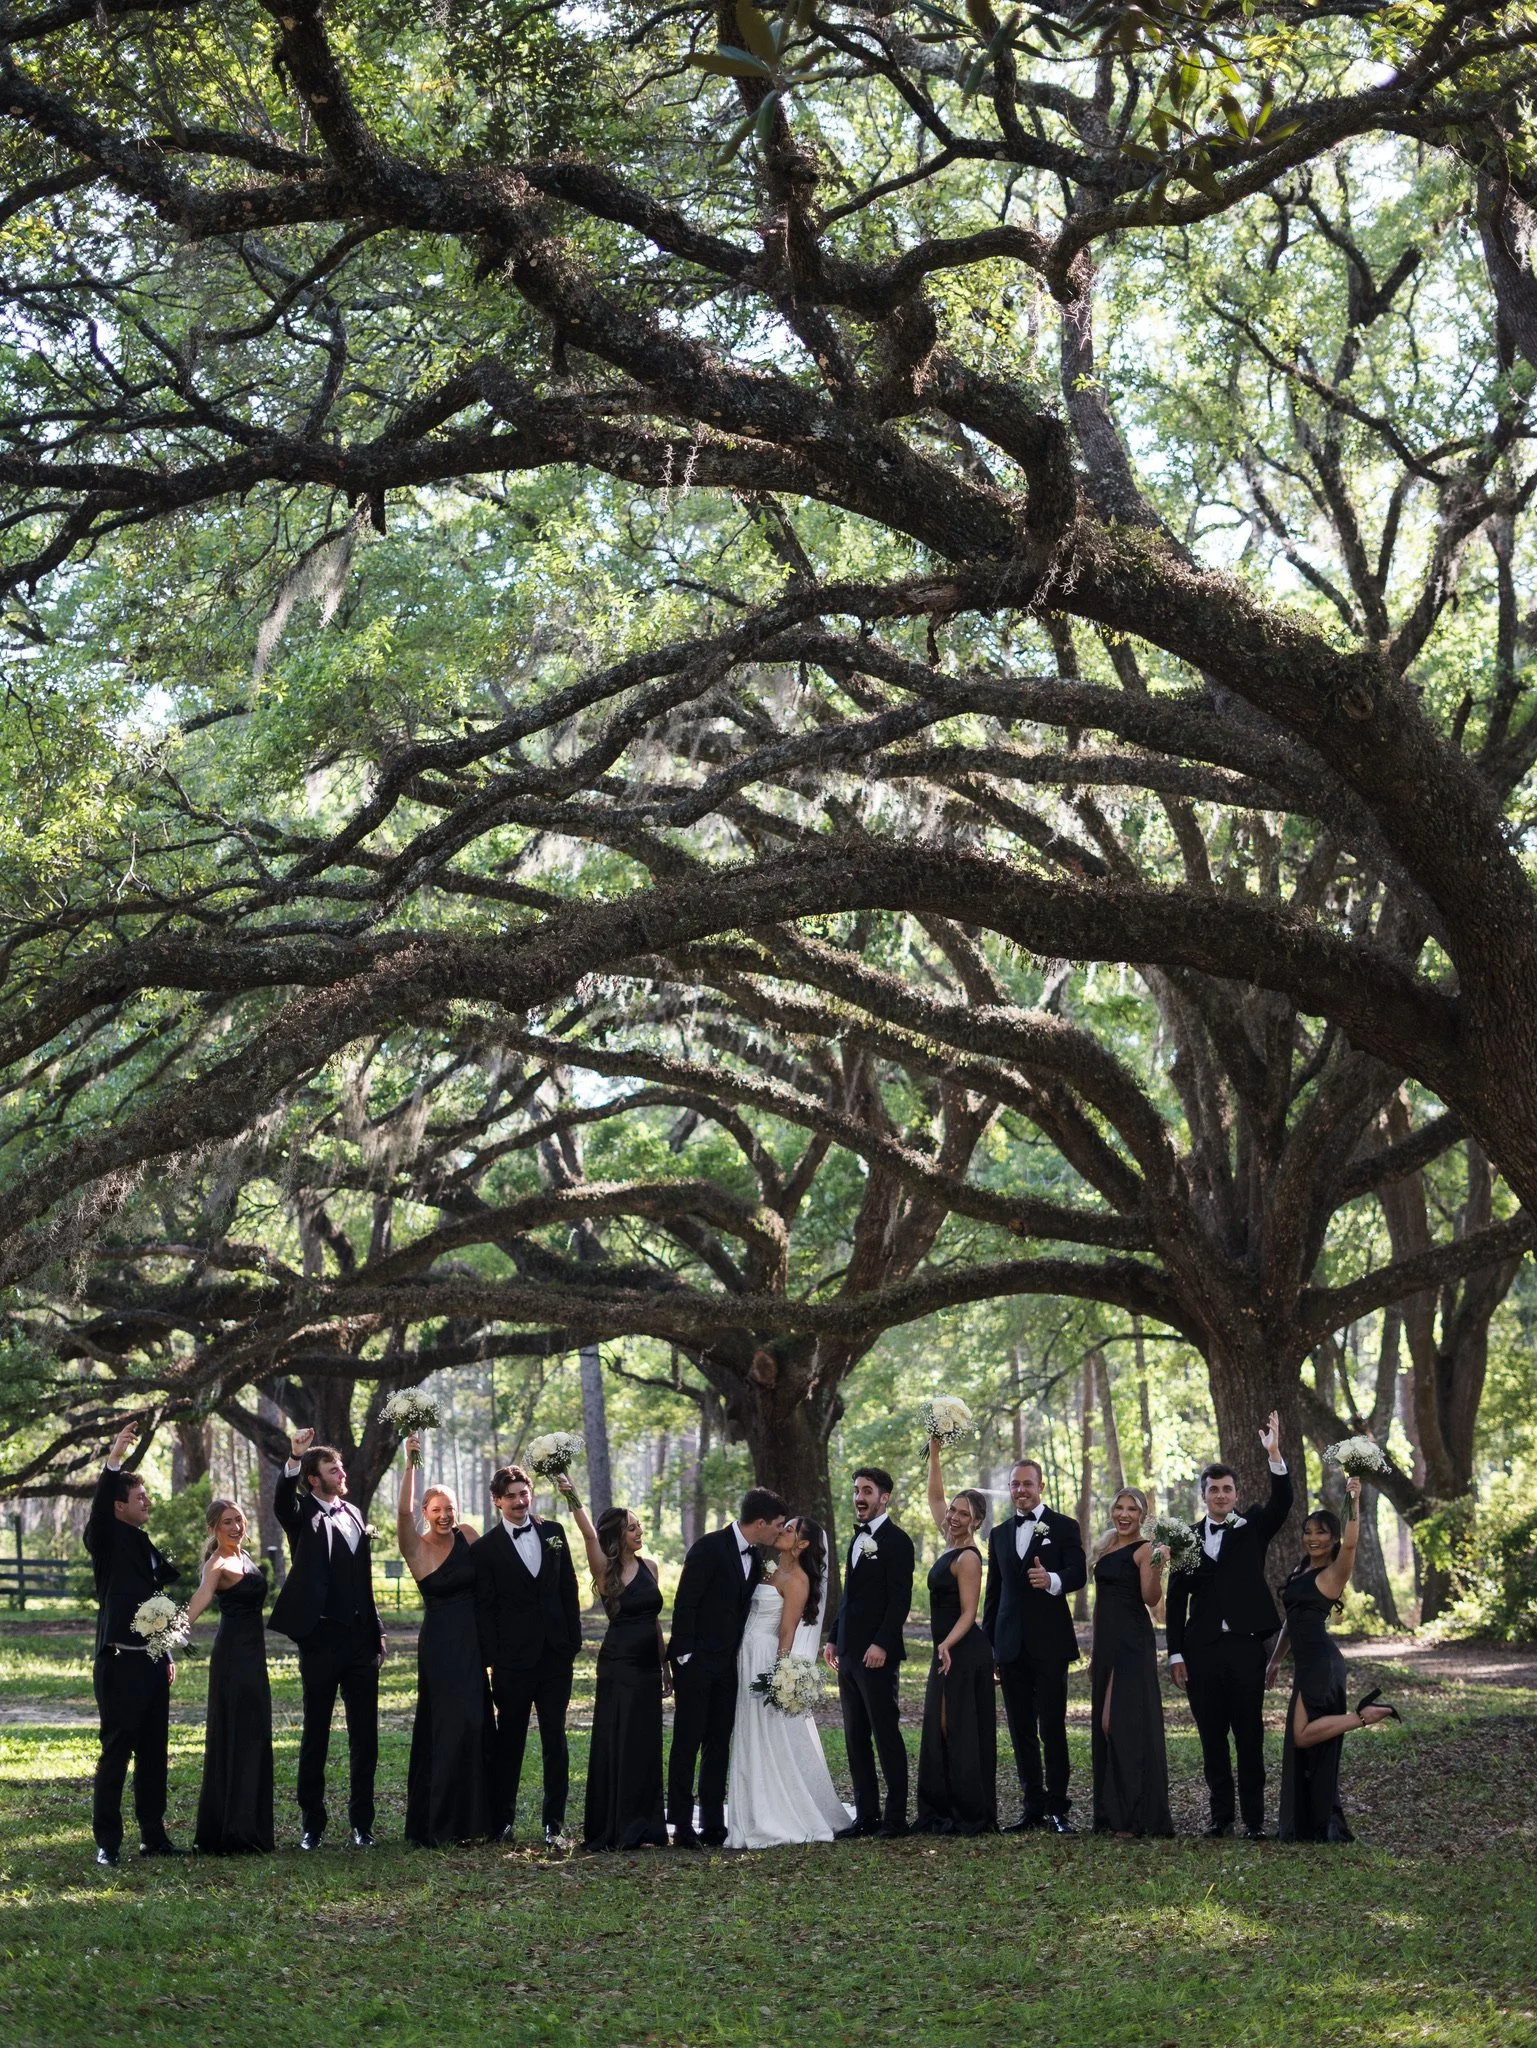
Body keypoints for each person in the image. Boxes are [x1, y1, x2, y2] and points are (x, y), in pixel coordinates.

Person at [1165, 1411, 1293, 1839]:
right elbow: (1177, 1599)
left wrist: (1274, 1454)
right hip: (1200, 1651)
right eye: (1213, 1489)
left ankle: (1255, 1821)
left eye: (1227, 1489)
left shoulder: (1253, 1526)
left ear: (1236, 1494)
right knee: (1212, 1740)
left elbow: (1283, 1503)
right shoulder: (1185, 1537)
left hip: (1244, 1647)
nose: (1221, 1495)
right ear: (1204, 1495)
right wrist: (1176, 1653)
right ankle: (1221, 1817)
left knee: (1249, 1735)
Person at [268, 1426, 387, 1850]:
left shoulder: (354, 1513)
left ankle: (362, 1823)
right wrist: (294, 1458)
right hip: (319, 1637)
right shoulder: (301, 1511)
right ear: (314, 1479)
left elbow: (364, 1581)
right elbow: (281, 1503)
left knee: (364, 1735)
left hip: (359, 1640)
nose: (341, 1472)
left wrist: (377, 1634)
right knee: (316, 1731)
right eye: (332, 1469)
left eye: (340, 1466)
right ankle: (312, 1824)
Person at [1273, 1478, 1396, 1842]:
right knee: (1300, 1739)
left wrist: (1352, 1501)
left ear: (1332, 1538)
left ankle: (1364, 1716)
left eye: (1322, 1533)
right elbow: (1291, 1623)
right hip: (1307, 1664)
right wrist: (1275, 1660)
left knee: (1301, 1735)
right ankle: (1309, 1820)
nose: (1313, 1538)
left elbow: (1353, 1541)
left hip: (1323, 1665)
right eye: (1308, 1531)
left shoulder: (1332, 1574)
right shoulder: (1301, 1572)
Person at [666, 1486, 789, 1849]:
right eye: (778, 1525)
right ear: (761, 1522)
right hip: (697, 1663)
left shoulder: (759, 1555)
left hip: (730, 1666)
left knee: (719, 1743)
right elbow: (685, 1603)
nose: (780, 1532)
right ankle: (681, 1824)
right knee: (687, 1743)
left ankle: (714, 1824)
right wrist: (686, 1657)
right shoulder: (707, 1547)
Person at [84, 1420, 183, 1866]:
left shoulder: (144, 1543)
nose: (148, 1502)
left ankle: (153, 1834)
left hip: (151, 1663)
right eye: (139, 1497)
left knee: (154, 1752)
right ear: (118, 1506)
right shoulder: (105, 1540)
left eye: (147, 1495)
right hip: (118, 1662)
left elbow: (154, 1602)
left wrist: (164, 1651)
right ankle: (108, 1841)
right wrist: (115, 1462)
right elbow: (98, 1511)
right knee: (117, 1750)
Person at [472, 1461, 582, 1847]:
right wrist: (495, 1657)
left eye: (524, 1494)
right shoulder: (485, 1549)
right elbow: (484, 1609)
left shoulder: (554, 1532)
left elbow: (568, 1587)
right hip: (512, 1662)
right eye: (512, 1496)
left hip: (555, 1655)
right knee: (510, 1742)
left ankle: (554, 1824)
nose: (520, 1501)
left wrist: (572, 1642)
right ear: (497, 1501)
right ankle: (503, 1821)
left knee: (556, 1741)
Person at [557, 1475, 669, 1852]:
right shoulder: (607, 1572)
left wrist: (665, 1666)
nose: (639, 1531)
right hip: (618, 1666)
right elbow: (589, 1536)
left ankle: (647, 1825)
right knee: (618, 1740)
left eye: (638, 1526)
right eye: (632, 1527)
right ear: (619, 1535)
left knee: (645, 1744)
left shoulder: (651, 1566)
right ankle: (616, 1824)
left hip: (648, 1669)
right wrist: (573, 1496)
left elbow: (655, 1621)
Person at [727, 1516, 849, 1848]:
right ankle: (748, 1807)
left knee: (766, 1732)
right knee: (747, 1730)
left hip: (765, 1655)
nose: (783, 1530)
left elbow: (788, 1630)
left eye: (791, 1529)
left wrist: (780, 1673)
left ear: (803, 1545)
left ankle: (776, 1810)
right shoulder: (768, 1568)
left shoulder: (796, 1579)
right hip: (745, 1652)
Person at [982, 1456, 1086, 1833]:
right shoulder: (999, 1533)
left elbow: (1078, 1573)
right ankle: (1032, 1808)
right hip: (1010, 1647)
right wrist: (990, 1645)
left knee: (1052, 1728)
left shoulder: (1064, 1527)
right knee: (1020, 1730)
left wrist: (1053, 1579)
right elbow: (993, 1594)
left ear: (1040, 1486)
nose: (1020, 1490)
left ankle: (1059, 1808)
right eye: (1014, 1484)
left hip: (1051, 1645)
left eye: (1027, 1483)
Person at [397, 1445, 492, 1847]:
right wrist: (410, 1463)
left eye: (449, 1508)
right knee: (445, 1725)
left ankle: (476, 1821)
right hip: (439, 1646)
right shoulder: (414, 1545)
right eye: (436, 1509)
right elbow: (400, 1515)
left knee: (476, 1722)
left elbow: (497, 1566)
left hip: (473, 1642)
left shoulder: (468, 1535)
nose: (444, 1515)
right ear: (424, 1511)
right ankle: (438, 1822)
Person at [825, 1466, 915, 1839]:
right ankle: (866, 1816)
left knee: (885, 1734)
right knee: (855, 1736)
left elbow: (899, 1601)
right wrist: (833, 1637)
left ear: (884, 1497)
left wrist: (881, 1643)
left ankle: (895, 1818)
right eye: (857, 1490)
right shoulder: (856, 1540)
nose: (859, 1497)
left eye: (867, 1491)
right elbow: (849, 1596)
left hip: (877, 1655)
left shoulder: (898, 1541)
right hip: (848, 1653)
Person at [913, 1439, 997, 1836]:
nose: (954, 1516)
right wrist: (935, 1448)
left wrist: (946, 1644)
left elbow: (970, 1614)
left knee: (957, 1728)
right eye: (953, 1511)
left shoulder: (968, 1558)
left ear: (977, 1521)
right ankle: (939, 1809)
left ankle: (969, 1813)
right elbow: (935, 1495)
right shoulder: (948, 1541)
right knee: (940, 1727)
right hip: (945, 1651)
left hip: (963, 1650)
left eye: (964, 1513)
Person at [186, 1497, 274, 1854]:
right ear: (213, 1529)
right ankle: (231, 1830)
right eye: (227, 1522)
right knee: (235, 1734)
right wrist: (166, 1637)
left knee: (254, 1733)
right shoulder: (218, 1562)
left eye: (239, 1520)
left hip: (255, 1655)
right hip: (233, 1657)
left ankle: (251, 1826)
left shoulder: (244, 1556)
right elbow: (199, 1599)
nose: (236, 1527)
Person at [1090, 1487, 1172, 1839]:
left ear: (1143, 1515)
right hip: (1107, 1644)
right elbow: (1099, 1603)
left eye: (1132, 1510)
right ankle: (1112, 1813)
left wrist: (1156, 1566)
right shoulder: (1107, 1546)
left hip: (1132, 1643)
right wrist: (1095, 1651)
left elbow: (1152, 1598)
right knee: (1105, 1725)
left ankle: (1133, 1815)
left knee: (1120, 1724)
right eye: (1119, 1508)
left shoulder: (1145, 1549)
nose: (1124, 1515)